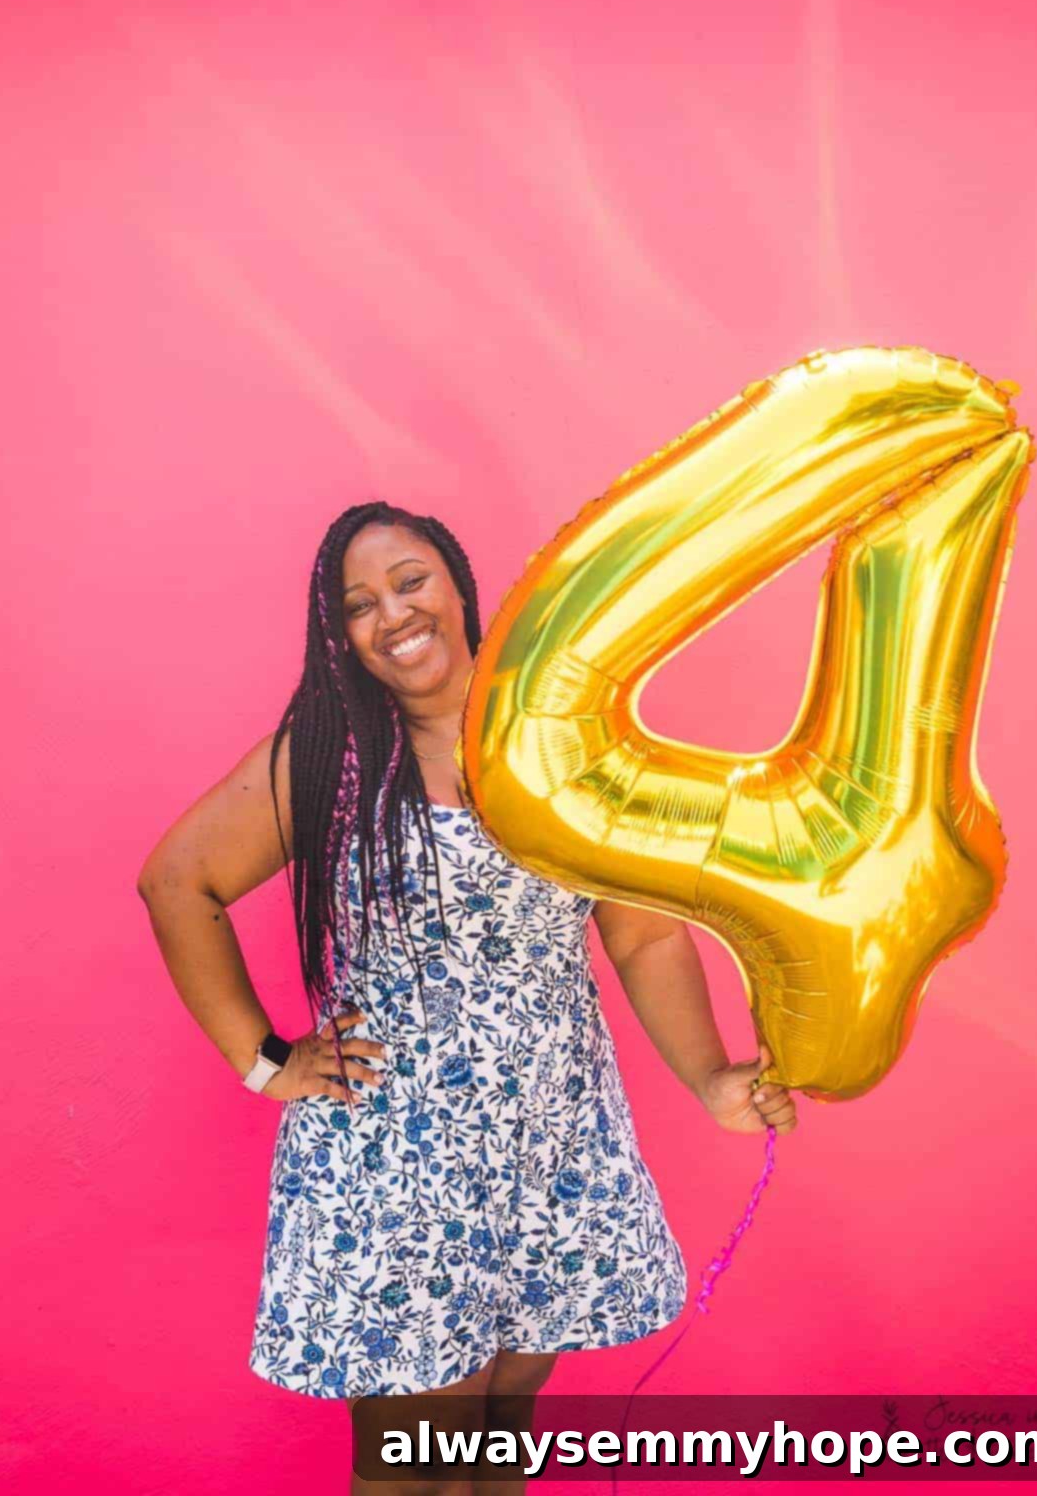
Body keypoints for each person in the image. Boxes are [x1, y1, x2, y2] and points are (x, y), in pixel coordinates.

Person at [137, 500, 797, 1495]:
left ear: (458, 585)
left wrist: (711, 1077)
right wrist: (267, 1061)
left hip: (552, 1140)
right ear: (342, 637)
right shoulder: (332, 761)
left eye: (410, 581)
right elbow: (177, 882)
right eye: (360, 605)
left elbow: (644, 930)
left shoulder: (560, 746)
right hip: (402, 1164)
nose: (393, 615)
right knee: (417, 1465)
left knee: (497, 1439)